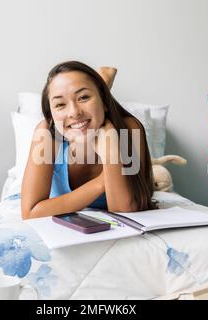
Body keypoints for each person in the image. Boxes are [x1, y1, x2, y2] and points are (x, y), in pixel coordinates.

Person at [21, 61, 156, 220]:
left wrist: (111, 153)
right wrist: (100, 183)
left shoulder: (128, 129)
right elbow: (30, 213)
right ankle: (102, 81)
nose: (74, 112)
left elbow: (125, 210)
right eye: (60, 104)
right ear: (51, 115)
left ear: (105, 102)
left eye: (83, 97)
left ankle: (101, 85)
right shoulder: (47, 133)